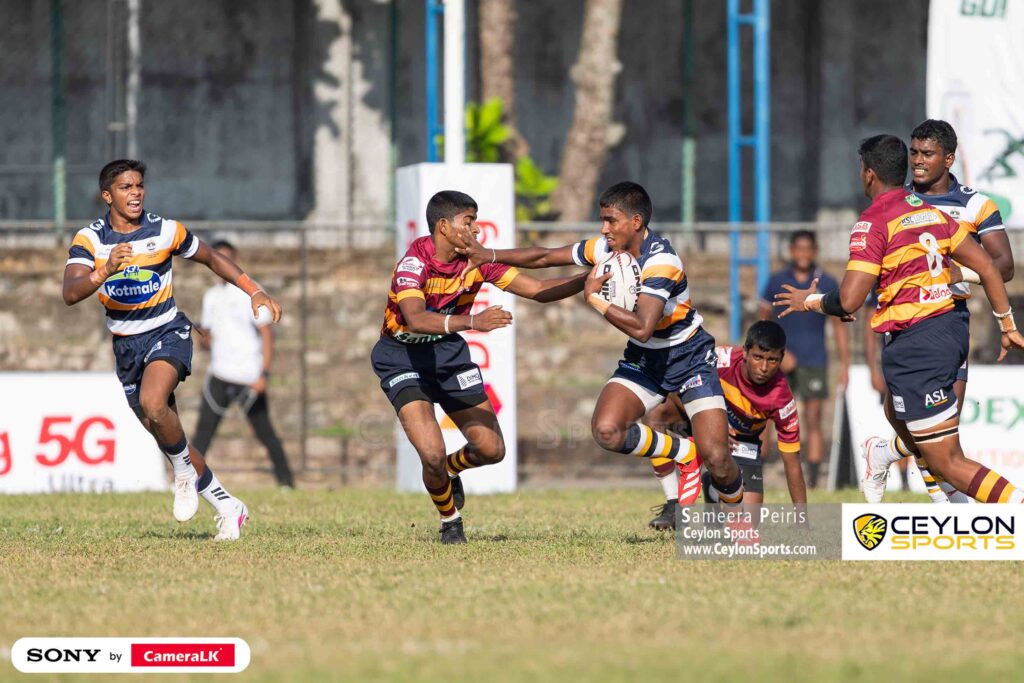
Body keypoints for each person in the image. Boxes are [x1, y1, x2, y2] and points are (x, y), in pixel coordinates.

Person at [455, 182, 745, 511]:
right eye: (602, 220)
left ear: (636, 222)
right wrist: (488, 255)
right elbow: (546, 256)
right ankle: (684, 454)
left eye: (611, 220)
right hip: (645, 360)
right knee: (607, 430)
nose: (604, 229)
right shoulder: (606, 249)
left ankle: (740, 520)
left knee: (719, 457)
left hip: (689, 357)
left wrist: (594, 299)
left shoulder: (663, 262)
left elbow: (643, 327)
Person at [774, 134, 1024, 504]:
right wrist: (1007, 325)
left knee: (948, 459)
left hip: (919, 340)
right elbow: (988, 266)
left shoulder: (873, 222)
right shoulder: (930, 211)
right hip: (951, 328)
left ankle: (1008, 508)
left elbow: (849, 299)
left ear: (869, 174)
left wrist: (811, 301)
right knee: (901, 414)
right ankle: (908, 474)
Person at [62, 160, 283, 540]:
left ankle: (182, 474)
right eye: (126, 187)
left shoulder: (165, 231)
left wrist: (254, 289)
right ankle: (229, 506)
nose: (135, 193)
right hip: (126, 346)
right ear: (107, 195)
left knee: (153, 402)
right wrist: (104, 271)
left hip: (168, 331)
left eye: (139, 185)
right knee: (166, 432)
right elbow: (70, 292)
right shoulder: (90, 239)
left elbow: (212, 258)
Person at [371, 190, 588, 544]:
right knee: (431, 453)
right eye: (468, 222)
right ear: (443, 226)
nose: (475, 230)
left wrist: (586, 280)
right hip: (402, 358)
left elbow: (537, 289)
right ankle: (450, 521)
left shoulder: (478, 261)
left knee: (491, 449)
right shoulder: (413, 263)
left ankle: (449, 472)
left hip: (449, 356)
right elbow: (414, 318)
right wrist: (473, 321)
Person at [861, 119, 1015, 502]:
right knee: (902, 418)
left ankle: (946, 505)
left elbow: (1003, 265)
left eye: (927, 154)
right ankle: (940, 499)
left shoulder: (975, 204)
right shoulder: (899, 200)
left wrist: (952, 271)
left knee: (943, 429)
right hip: (902, 319)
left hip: (949, 320)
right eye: (913, 152)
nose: (917, 161)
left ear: (948, 159)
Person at [646, 321, 807, 530]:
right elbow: (677, 387)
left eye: (772, 360)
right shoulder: (720, 360)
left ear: (781, 358)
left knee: (746, 528)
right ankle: (673, 503)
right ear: (746, 351)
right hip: (702, 420)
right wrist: (711, 428)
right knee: (656, 412)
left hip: (744, 443)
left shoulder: (782, 399)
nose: (764, 367)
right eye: (758, 357)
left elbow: (792, 462)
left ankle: (713, 485)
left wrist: (802, 520)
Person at [192, 239, 295, 489]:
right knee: (203, 434)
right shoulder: (211, 296)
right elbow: (208, 335)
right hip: (220, 373)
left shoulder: (251, 291)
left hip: (248, 375)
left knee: (265, 433)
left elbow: (267, 333)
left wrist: (264, 374)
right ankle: (187, 482)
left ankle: (286, 483)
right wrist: (201, 337)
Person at [759, 231, 849, 489]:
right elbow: (764, 318)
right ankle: (758, 473)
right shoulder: (777, 281)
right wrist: (774, 351)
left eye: (807, 248)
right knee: (765, 416)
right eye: (798, 248)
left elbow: (840, 327)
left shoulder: (826, 282)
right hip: (779, 360)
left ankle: (811, 480)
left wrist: (844, 366)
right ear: (791, 250)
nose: (803, 253)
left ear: (814, 250)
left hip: (814, 359)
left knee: (813, 417)